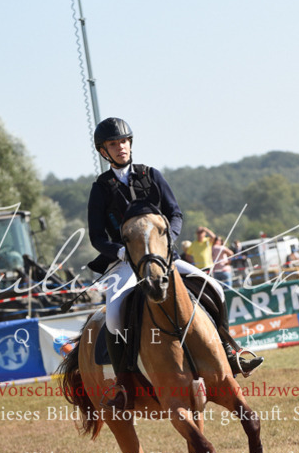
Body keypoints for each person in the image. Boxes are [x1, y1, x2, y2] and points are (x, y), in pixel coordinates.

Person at [86, 117, 262, 407]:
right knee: (115, 314)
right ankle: (124, 383)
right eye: (114, 144)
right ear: (104, 151)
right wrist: (119, 252)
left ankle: (230, 355)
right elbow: (96, 236)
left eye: (124, 141)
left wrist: (167, 241)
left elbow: (175, 213)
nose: (121, 148)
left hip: (162, 256)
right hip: (125, 262)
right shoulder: (101, 188)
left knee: (213, 287)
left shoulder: (151, 175)